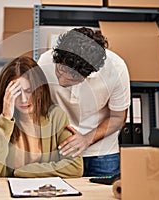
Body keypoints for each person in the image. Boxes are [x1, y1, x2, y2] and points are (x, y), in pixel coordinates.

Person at [38, 27, 130, 177]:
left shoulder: (116, 69)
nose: (61, 82)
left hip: (102, 153)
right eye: (59, 71)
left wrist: (87, 139)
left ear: (90, 72)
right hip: (59, 149)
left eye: (71, 79)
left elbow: (118, 118)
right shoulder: (44, 62)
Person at [0, 56, 83, 180]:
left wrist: (22, 172)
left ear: (39, 90)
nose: (23, 99)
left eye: (29, 90)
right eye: (16, 92)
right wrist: (6, 118)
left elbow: (75, 167)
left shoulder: (57, 117)